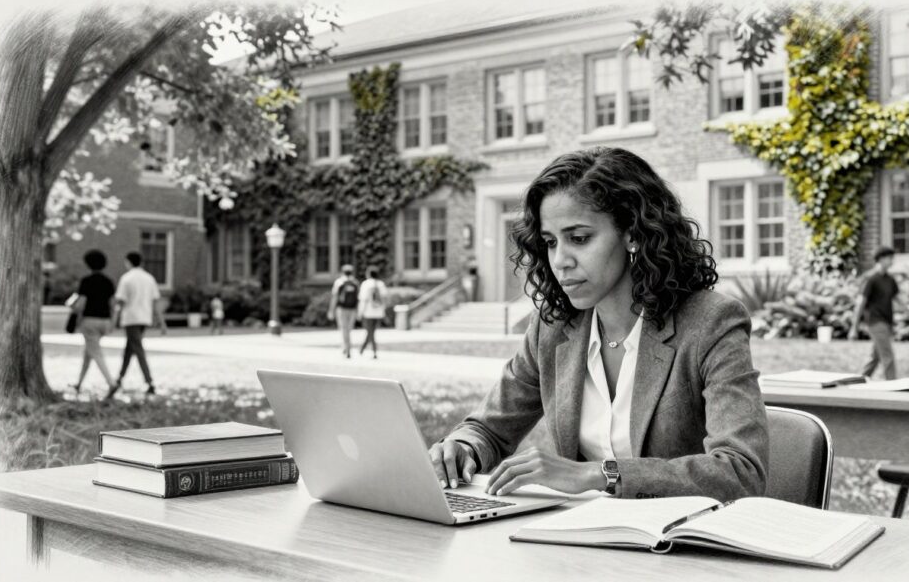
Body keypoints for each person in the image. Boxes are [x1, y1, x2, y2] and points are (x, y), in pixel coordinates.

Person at [428, 147, 768, 502]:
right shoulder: (553, 327)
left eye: (579, 239)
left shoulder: (711, 322)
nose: (560, 261)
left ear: (633, 234)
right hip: (583, 539)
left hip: (682, 542)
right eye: (550, 242)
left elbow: (740, 471)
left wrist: (599, 474)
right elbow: (489, 428)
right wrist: (461, 448)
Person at [108, 251, 166, 399]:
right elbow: (155, 302)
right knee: (129, 350)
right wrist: (161, 322)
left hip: (131, 319)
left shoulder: (126, 278)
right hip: (144, 318)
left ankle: (149, 382)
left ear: (128, 262)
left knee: (138, 350)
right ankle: (119, 379)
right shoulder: (149, 278)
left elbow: (120, 302)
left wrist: (114, 320)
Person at [69, 250, 117, 394]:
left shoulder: (86, 281)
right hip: (105, 321)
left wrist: (72, 307)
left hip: (90, 322)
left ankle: (111, 382)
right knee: (89, 352)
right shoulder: (109, 281)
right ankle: (78, 383)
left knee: (95, 353)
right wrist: (113, 323)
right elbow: (113, 305)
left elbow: (81, 304)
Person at [849, 246, 901, 380]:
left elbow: (897, 298)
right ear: (881, 259)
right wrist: (854, 328)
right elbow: (860, 303)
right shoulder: (871, 279)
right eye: (890, 258)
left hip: (886, 321)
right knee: (888, 356)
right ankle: (893, 385)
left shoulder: (890, 280)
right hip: (875, 322)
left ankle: (858, 381)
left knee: (875, 357)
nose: (892, 262)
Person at [327, 264, 359, 358]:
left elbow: (335, 297)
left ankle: (347, 347)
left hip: (341, 309)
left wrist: (331, 310)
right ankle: (346, 346)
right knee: (348, 330)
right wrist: (358, 311)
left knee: (344, 329)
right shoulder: (355, 282)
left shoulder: (339, 282)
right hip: (352, 309)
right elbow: (358, 298)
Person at [357, 266, 388, 359]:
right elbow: (385, 298)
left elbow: (363, 300)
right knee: (371, 332)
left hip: (368, 312)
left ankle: (374, 351)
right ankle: (362, 349)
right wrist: (383, 310)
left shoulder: (365, 284)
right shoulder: (381, 284)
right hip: (378, 312)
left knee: (370, 332)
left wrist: (360, 312)